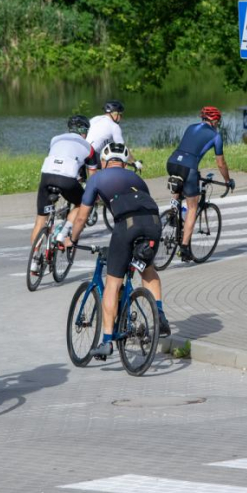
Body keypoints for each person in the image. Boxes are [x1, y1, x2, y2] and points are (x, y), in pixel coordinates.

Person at [64, 142, 171, 357]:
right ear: (123, 162)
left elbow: (82, 216)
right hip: (153, 222)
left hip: (127, 225)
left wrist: (71, 240)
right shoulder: (138, 179)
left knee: (113, 283)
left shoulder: (97, 178)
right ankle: (159, 314)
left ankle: (106, 341)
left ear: (103, 162)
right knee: (147, 269)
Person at [166, 106, 235, 261]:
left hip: (172, 162)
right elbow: (221, 162)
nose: (219, 123)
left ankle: (173, 211)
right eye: (218, 120)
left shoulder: (191, 127)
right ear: (214, 120)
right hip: (189, 167)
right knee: (192, 207)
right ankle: (184, 248)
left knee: (179, 184)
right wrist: (227, 180)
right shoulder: (216, 135)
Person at [30, 115, 97, 274]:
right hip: (67, 178)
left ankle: (33, 261)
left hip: (46, 176)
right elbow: (93, 179)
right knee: (81, 204)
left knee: (40, 220)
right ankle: (64, 232)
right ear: (84, 131)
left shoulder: (55, 139)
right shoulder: (89, 147)